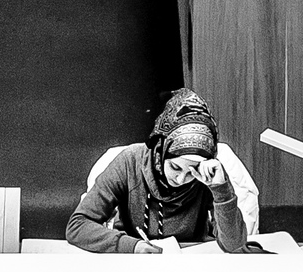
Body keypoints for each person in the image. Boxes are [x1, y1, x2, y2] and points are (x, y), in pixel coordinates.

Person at [65, 89, 257, 253]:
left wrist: (220, 190)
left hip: (189, 263)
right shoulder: (129, 162)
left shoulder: (209, 175)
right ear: (160, 152)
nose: (181, 178)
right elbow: (78, 225)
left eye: (191, 172)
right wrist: (131, 246)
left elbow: (235, 248)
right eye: (175, 167)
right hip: (132, 263)